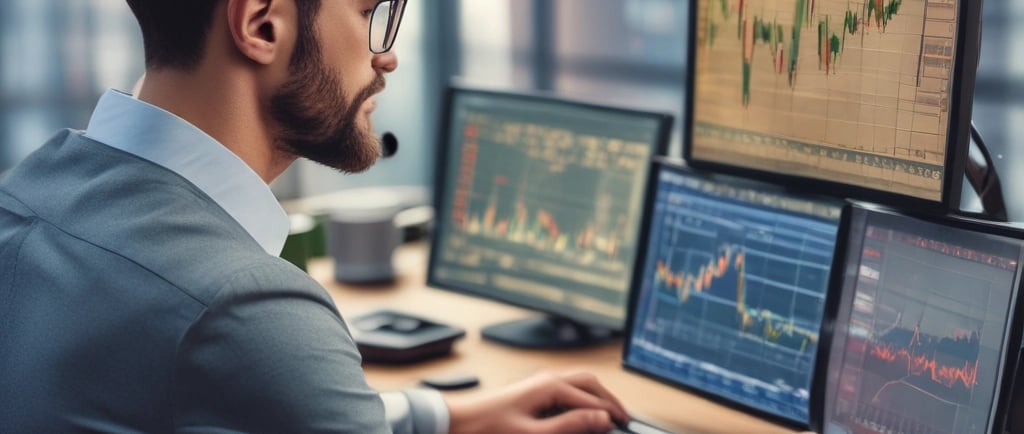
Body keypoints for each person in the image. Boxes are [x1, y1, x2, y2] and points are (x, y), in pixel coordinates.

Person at [0, 1, 630, 433]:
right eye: (367, 14)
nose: (387, 60)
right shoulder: (242, 304)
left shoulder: (22, 194)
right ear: (262, 25)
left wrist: (442, 416)